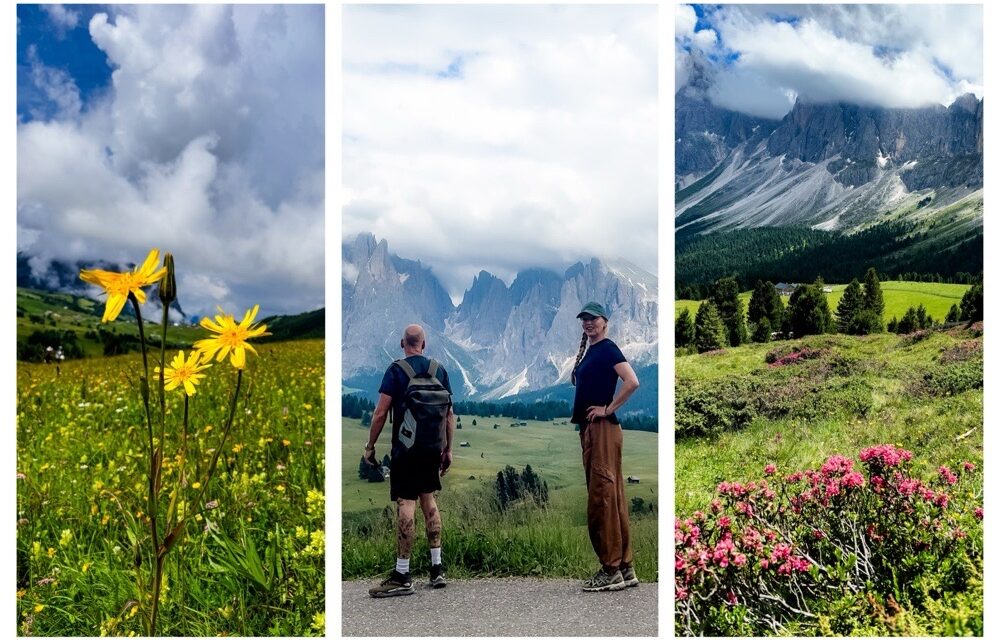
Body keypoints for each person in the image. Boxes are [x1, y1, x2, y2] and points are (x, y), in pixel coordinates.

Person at [364, 324, 456, 597]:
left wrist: (370, 447)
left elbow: (380, 413)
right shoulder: (439, 371)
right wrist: (447, 450)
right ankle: (437, 569)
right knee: (429, 502)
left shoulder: (396, 370)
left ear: (403, 343)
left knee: (406, 504)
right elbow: (450, 415)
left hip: (405, 451)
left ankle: (402, 574)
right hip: (431, 450)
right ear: (424, 345)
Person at [570, 302, 640, 592]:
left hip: (601, 430)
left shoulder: (608, 348)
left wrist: (607, 409)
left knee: (602, 498)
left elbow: (632, 381)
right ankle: (625, 568)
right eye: (584, 319)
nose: (588, 323)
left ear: (605, 321)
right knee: (612, 495)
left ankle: (610, 569)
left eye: (593, 319)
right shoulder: (592, 351)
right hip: (596, 431)